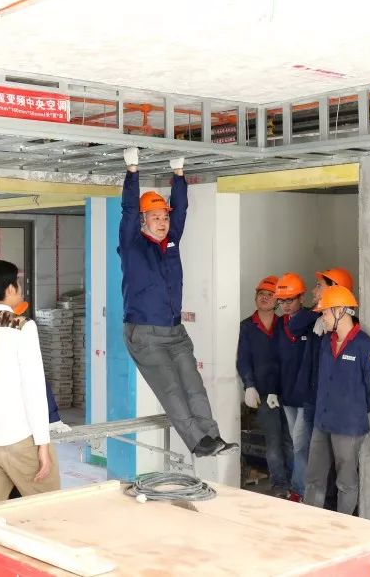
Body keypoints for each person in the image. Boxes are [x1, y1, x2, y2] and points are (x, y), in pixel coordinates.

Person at [119, 146, 236, 457]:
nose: (162, 221)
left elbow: (180, 210)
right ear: (143, 221)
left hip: (174, 331)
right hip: (144, 333)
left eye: (164, 217)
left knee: (193, 384)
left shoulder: (171, 241)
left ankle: (213, 437)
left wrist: (178, 174)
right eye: (155, 217)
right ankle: (197, 443)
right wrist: (132, 172)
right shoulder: (132, 245)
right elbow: (128, 210)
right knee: (171, 389)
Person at [0, 260, 60, 504]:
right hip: (19, 437)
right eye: (18, 283)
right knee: (50, 509)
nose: (20, 288)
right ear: (9, 288)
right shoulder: (22, 326)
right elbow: (34, 389)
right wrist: (43, 444)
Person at [304, 285, 370, 514]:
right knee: (314, 478)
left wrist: (353, 410)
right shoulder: (325, 343)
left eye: (325, 312)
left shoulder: (364, 346)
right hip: (322, 422)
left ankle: (343, 526)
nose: (322, 318)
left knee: (345, 482)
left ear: (340, 311)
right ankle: (309, 524)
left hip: (348, 426)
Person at [294, 266, 354, 508]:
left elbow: (369, 387)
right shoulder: (318, 320)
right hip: (314, 400)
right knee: (310, 456)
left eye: (319, 286)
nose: (314, 290)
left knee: (339, 467)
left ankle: (331, 507)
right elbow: (294, 326)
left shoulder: (348, 333)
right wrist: (317, 314)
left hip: (339, 411)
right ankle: (311, 505)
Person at [237, 276, 293, 498]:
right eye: (261, 294)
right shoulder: (247, 327)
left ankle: (294, 486)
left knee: (290, 441)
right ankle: (280, 486)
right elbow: (243, 359)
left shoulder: (284, 325)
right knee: (273, 441)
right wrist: (249, 386)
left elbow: (289, 359)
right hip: (262, 393)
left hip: (285, 392)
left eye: (270, 295)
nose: (265, 298)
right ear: (255, 297)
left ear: (278, 301)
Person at [273, 272, 319, 501]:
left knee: (301, 444)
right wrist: (272, 389)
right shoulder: (280, 325)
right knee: (295, 442)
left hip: (306, 397)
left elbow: (297, 326)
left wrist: (317, 310)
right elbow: (275, 359)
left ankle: (299, 491)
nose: (285, 305)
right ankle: (302, 488)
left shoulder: (311, 320)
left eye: (289, 300)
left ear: (301, 297)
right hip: (287, 394)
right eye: (281, 301)